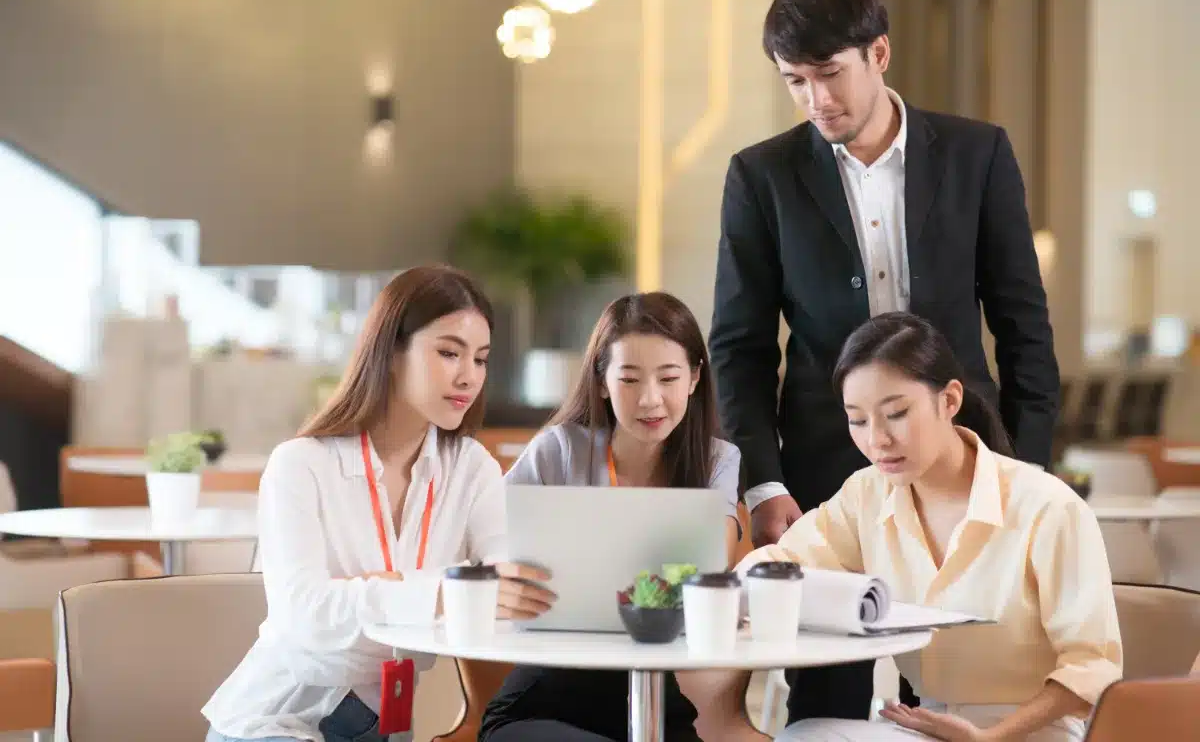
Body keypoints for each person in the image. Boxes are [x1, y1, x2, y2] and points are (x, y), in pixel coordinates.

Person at [708, 0, 1060, 722]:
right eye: (794, 82)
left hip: (973, 464)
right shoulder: (761, 176)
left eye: (829, 74)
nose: (816, 101)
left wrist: (1025, 471)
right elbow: (738, 348)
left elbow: (1024, 326)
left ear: (880, 53)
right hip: (828, 477)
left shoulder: (977, 154)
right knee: (825, 700)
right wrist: (766, 486)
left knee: (968, 685)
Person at [203, 265, 556, 742]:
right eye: (449, 353)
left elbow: (505, 581)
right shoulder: (300, 465)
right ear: (391, 352)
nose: (468, 376)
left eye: (481, 359)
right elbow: (305, 615)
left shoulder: (472, 469)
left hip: (391, 728)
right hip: (274, 721)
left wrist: (379, 589)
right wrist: (445, 593)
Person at [738, 312, 1120, 741]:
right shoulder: (868, 494)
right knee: (803, 735)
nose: (877, 440)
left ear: (950, 400)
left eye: (896, 413)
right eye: (858, 420)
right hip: (930, 726)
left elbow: (1092, 667)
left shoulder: (1048, 507)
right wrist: (726, 592)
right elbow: (784, 559)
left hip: (1033, 731)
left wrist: (989, 738)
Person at [478, 292, 764, 742]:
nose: (650, 400)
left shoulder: (718, 460)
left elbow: (713, 559)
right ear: (602, 382)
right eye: (629, 380)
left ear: (693, 378)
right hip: (551, 691)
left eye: (668, 378)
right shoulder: (559, 450)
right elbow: (485, 540)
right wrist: (499, 575)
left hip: (661, 694)